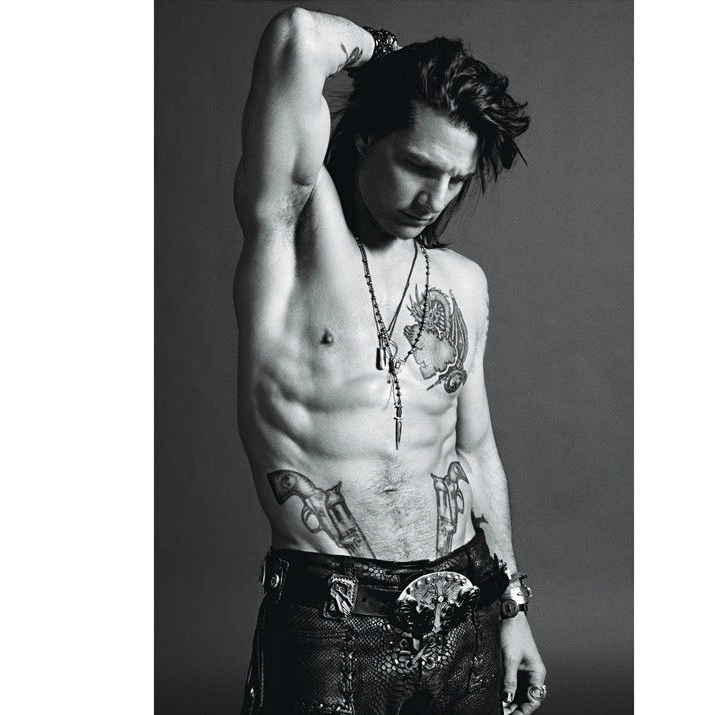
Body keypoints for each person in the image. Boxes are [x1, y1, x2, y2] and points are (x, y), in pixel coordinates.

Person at [233, 7, 546, 714]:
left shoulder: (462, 284)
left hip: (463, 610)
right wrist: (386, 57)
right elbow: (298, 37)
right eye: (418, 166)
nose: (433, 199)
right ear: (366, 136)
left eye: (456, 180)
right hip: (333, 624)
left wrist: (511, 604)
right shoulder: (292, 234)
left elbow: (475, 452)